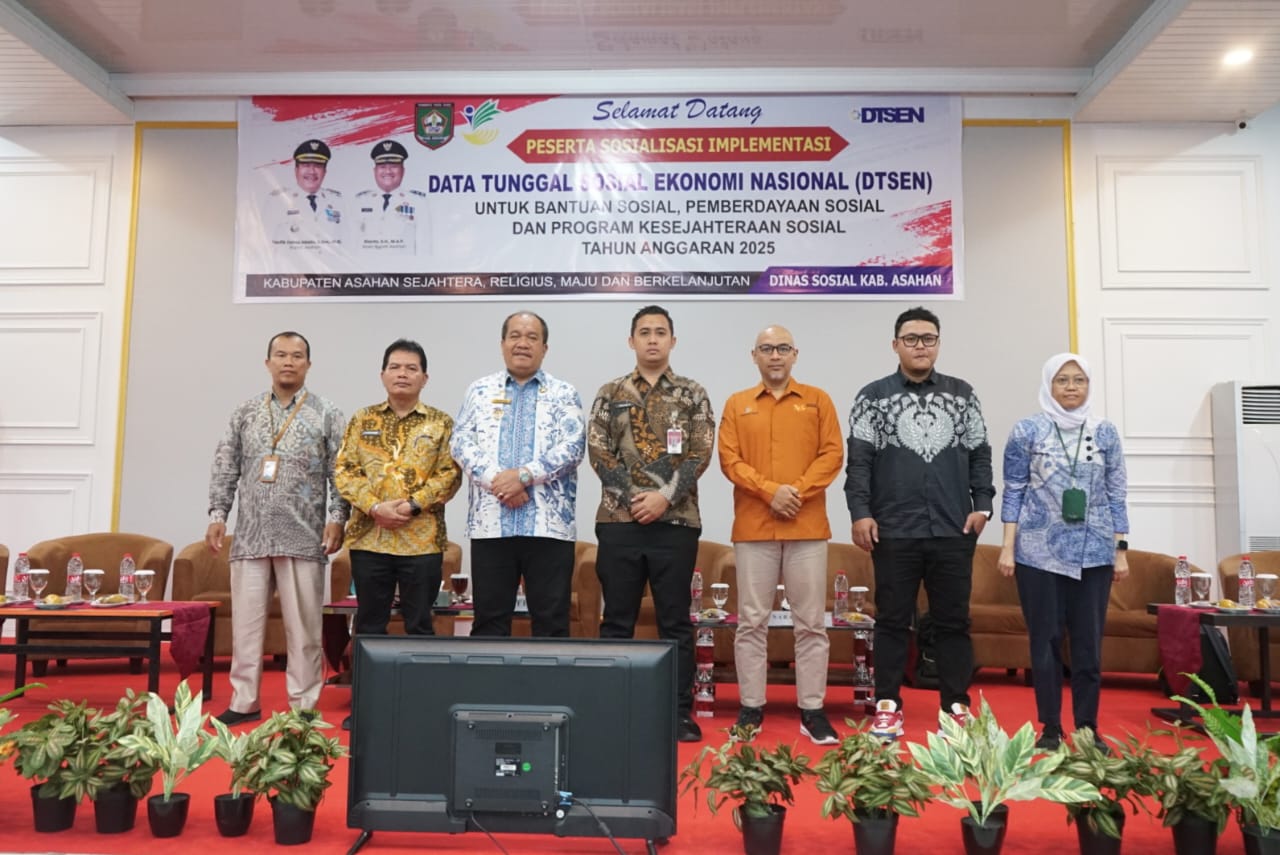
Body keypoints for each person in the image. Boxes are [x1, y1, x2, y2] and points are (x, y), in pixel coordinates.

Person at [844, 306, 995, 740]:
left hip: (953, 528)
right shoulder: (872, 397)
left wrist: (983, 505)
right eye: (911, 339)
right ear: (895, 345)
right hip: (894, 529)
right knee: (892, 621)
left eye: (928, 338)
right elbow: (859, 463)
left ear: (938, 344)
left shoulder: (962, 394)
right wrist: (860, 512)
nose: (920, 346)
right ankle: (888, 705)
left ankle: (956, 708)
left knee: (953, 622)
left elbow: (980, 452)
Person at [206, 331, 348, 724]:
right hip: (251, 535)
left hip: (303, 534)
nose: (288, 362)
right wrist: (218, 514)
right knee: (246, 627)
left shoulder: (327, 413)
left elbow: (341, 473)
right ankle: (244, 701)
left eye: (297, 356)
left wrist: (338, 517)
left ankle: (303, 705)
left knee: (304, 629)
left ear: (308, 364)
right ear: (267, 362)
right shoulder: (246, 412)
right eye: (281, 355)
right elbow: (225, 464)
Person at [588, 305, 715, 743]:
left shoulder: (692, 393)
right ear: (632, 341)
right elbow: (599, 453)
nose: (653, 339)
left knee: (674, 621)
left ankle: (678, 713)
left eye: (661, 332)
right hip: (619, 522)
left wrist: (664, 498)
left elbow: (700, 453)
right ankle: (612, 711)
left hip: (676, 522)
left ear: (673, 341)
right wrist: (633, 497)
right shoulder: (610, 392)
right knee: (616, 620)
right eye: (644, 332)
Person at [719, 325, 844, 745]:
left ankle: (813, 710)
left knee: (811, 623)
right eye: (767, 349)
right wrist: (770, 492)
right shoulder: (737, 404)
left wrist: (796, 492)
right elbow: (730, 460)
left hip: (806, 526)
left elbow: (832, 454)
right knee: (751, 622)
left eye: (783, 348)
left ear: (795, 354)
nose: (775, 355)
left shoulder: (818, 400)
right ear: (753, 355)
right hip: (754, 527)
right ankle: (751, 708)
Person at [998, 353, 1128, 751]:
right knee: (1045, 642)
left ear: (1089, 385)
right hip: (1037, 553)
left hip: (1095, 552)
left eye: (1079, 380)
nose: (1071, 387)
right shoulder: (1027, 431)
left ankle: (1088, 728)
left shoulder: (1105, 432)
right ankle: (1051, 728)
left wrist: (1121, 549)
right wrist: (1007, 548)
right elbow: (1014, 491)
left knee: (1088, 645)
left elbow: (1117, 493)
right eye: (1062, 380)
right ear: (1049, 385)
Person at [335, 339, 461, 727]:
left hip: (420, 541)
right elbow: (345, 471)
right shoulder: (362, 419)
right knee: (369, 624)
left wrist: (412, 505)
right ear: (382, 374)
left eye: (411, 368)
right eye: (395, 367)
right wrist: (375, 507)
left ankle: (420, 705)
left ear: (425, 377)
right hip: (370, 538)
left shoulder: (440, 423)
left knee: (419, 624)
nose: (402, 374)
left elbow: (450, 474)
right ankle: (366, 705)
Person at [450, 312, 585, 637]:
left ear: (544, 348)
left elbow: (573, 447)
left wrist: (523, 476)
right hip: (491, 526)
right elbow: (460, 443)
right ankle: (489, 675)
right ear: (502, 344)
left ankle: (548, 675)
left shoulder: (564, 393)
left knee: (551, 623)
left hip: (549, 528)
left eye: (532, 337)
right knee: (489, 622)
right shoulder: (479, 390)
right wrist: (501, 482)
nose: (522, 343)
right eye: (515, 336)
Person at [353, 140, 430, 256]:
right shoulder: (360, 201)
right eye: (382, 166)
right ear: (375, 171)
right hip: (367, 266)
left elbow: (424, 247)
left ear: (403, 170)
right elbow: (352, 244)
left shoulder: (418, 202)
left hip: (403, 267)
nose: (388, 171)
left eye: (394, 166)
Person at [268, 139, 344, 248]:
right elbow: (264, 246)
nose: (312, 171)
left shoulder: (338, 201)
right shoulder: (276, 201)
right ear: (296, 170)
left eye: (318, 165)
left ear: (325, 171)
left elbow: (348, 245)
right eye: (306, 165)